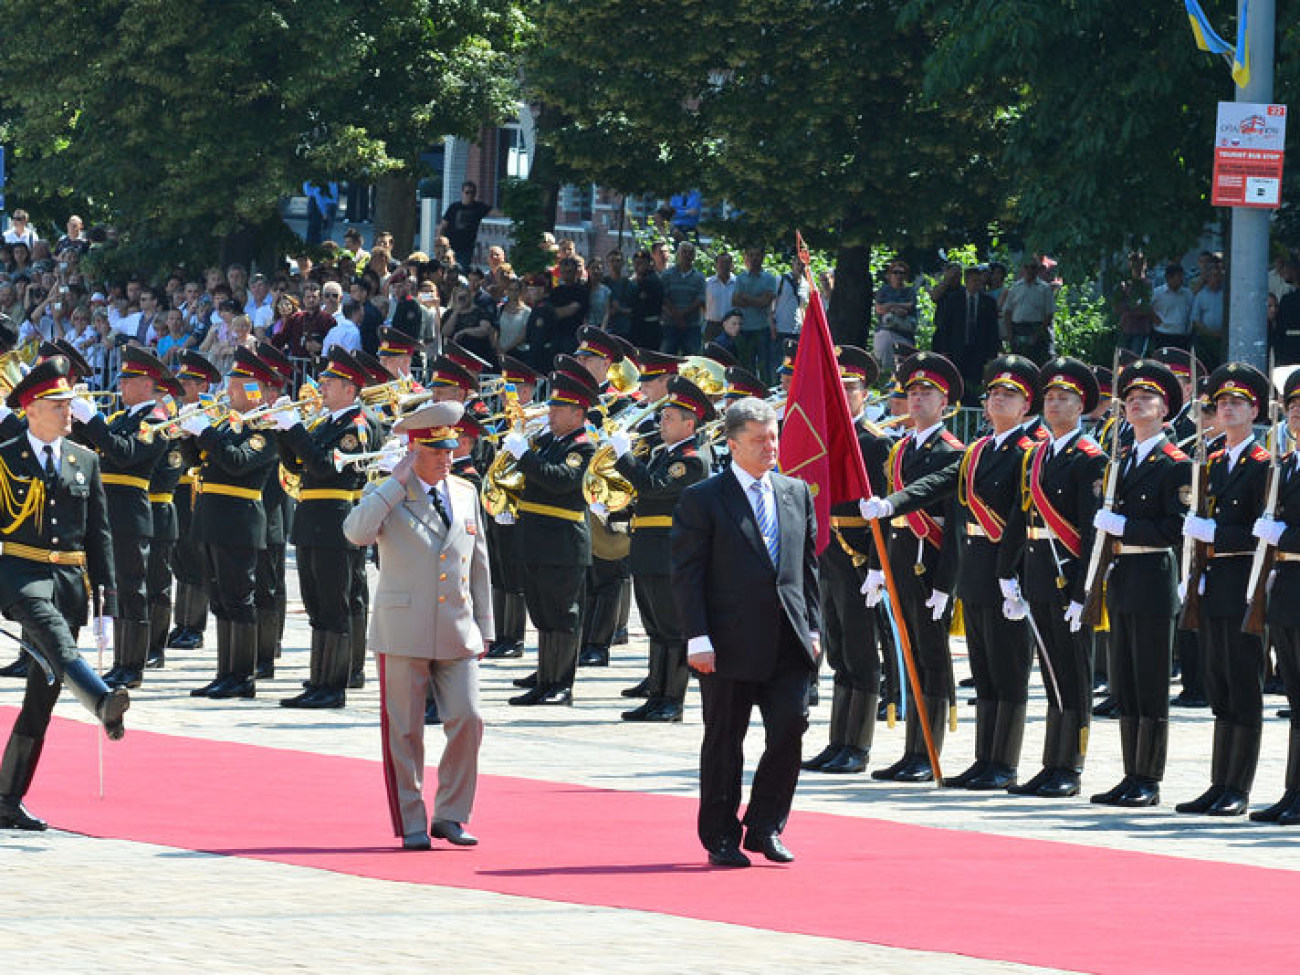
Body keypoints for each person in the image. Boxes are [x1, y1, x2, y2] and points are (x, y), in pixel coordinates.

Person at [671, 396, 819, 868]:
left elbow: (807, 569)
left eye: (772, 437)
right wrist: (697, 637)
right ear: (733, 444)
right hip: (727, 644)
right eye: (758, 440)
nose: (769, 447)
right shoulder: (703, 498)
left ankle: (765, 826)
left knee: (790, 729)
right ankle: (720, 834)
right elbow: (688, 574)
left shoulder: (796, 492)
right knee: (724, 741)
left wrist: (814, 629)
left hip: (788, 640)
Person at [342, 401, 492, 850]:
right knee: (404, 730)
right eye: (436, 452)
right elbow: (356, 532)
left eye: (450, 450)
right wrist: (395, 481)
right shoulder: (389, 492)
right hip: (403, 627)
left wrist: (485, 625)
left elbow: (478, 561)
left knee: (468, 718)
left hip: (457, 626)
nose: (448, 458)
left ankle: (452, 814)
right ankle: (411, 820)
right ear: (413, 452)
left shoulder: (465, 492)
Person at [0, 356, 126, 831]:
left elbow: (100, 534)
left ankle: (7, 798)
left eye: (69, 402)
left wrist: (107, 599)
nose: (68, 409)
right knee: (56, 641)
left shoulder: (85, 460)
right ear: (32, 408)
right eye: (59, 403)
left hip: (70, 583)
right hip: (20, 575)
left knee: (43, 691)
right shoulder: (5, 457)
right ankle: (101, 701)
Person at [998, 357, 1106, 798]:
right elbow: (1020, 517)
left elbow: (1091, 529)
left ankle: (1071, 766)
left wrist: (1084, 591)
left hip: (1068, 578)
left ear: (1081, 407)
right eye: (1050, 397)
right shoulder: (1036, 454)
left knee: (1074, 676)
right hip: (1039, 571)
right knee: (1051, 674)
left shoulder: (1089, 458)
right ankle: (1050, 763)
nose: (1055, 404)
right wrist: (1008, 572)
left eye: (1064, 398)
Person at [860, 352, 966, 783]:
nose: (918, 399)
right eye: (914, 392)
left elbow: (954, 526)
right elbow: (884, 516)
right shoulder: (901, 449)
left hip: (930, 566)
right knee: (909, 657)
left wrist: (946, 583)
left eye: (928, 393)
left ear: (945, 403)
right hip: (901, 561)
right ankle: (911, 750)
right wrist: (875, 565)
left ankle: (929, 752)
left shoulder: (952, 451)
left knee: (932, 659)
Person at [1089, 358, 1190, 807]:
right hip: (1124, 576)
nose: (1135, 404)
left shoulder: (1176, 463)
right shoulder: (1122, 459)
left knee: (1149, 681)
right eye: (1130, 399)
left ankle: (1149, 778)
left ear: (1164, 409)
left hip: (1152, 574)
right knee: (1124, 682)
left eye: (1146, 398)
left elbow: (1175, 529)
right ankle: (1131, 773)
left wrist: (1123, 526)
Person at [1176, 362, 1271, 818]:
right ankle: (1219, 782)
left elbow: (1262, 533)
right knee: (1217, 684)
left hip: (1242, 583)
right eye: (1221, 404)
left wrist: (1215, 534)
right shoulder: (1209, 463)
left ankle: (1239, 786)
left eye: (1237, 403)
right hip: (1210, 584)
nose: (1227, 409)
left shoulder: (1262, 465)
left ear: (1254, 411)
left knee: (1242, 685)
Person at [801, 347, 891, 776]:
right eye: (837, 388)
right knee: (837, 649)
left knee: (861, 653)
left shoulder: (874, 442)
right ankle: (838, 739)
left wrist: (877, 564)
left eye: (850, 388)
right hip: (828, 555)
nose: (842, 395)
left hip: (858, 557)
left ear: (864, 394)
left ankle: (858, 744)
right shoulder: (825, 439)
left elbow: (883, 513)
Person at [274, 349, 377, 709]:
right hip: (311, 520)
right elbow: (296, 464)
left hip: (337, 522)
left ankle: (333, 686)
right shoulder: (324, 424)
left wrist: (296, 430)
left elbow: (323, 467)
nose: (323, 387)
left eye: (330, 382)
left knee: (335, 605)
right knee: (316, 604)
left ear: (350, 389)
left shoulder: (356, 426)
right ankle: (318, 680)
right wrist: (283, 433)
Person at [610, 375, 714, 722]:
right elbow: (646, 498)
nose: (661, 423)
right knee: (656, 629)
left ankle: (672, 700)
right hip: (648, 550)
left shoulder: (692, 459)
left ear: (689, 423)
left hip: (671, 553)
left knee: (672, 630)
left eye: (669, 418)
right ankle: (656, 695)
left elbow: (655, 489)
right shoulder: (663, 454)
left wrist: (624, 458)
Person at [73, 346, 171, 689]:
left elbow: (124, 454)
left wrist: (94, 420)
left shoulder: (157, 420)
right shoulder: (121, 419)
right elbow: (89, 445)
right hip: (108, 511)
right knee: (115, 591)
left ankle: (133, 666)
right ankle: (119, 663)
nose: (121, 385)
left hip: (131, 512)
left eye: (128, 379)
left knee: (133, 591)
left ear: (146, 383)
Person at [502, 371, 598, 706]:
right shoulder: (551, 442)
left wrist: (524, 456)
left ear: (578, 414)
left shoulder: (583, 448)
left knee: (562, 616)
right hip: (536, 541)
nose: (550, 413)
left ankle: (561, 685)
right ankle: (545, 680)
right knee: (542, 617)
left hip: (562, 545)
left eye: (559, 409)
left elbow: (560, 480)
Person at [1252, 370, 1300, 823]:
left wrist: (1287, 535)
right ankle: (1293, 791)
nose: (1299, 414)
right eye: (1294, 407)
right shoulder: (1285, 465)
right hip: (1286, 588)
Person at [931, 265, 1000, 405]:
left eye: (979, 281)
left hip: (978, 350)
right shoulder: (953, 299)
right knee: (956, 381)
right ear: (967, 281)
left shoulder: (989, 302)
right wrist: (944, 350)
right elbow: (944, 327)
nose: (977, 284)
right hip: (956, 349)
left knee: (974, 384)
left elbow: (993, 330)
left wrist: (992, 355)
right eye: (974, 281)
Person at [1002, 257, 1057, 364]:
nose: (1029, 270)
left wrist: (1039, 333)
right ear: (1023, 269)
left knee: (1037, 363)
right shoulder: (1015, 287)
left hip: (1036, 328)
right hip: (1017, 328)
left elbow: (1049, 314)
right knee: (1017, 364)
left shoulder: (1044, 289)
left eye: (1032, 267)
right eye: (1026, 267)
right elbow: (1007, 311)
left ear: (1037, 270)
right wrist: (1009, 333)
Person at [872, 260, 918, 374]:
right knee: (884, 338)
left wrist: (889, 306)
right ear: (889, 275)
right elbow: (879, 309)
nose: (899, 275)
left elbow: (909, 306)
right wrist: (894, 309)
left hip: (904, 335)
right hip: (885, 332)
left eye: (902, 273)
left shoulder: (910, 291)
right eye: (895, 272)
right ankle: (886, 376)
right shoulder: (883, 291)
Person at [438, 181, 492, 267]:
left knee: (461, 269)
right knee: (446, 269)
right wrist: (440, 244)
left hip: (466, 248)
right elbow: (443, 226)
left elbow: (494, 212)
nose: (469, 195)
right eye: (467, 192)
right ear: (462, 193)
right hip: (450, 246)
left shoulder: (479, 207)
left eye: (472, 193)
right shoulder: (454, 207)